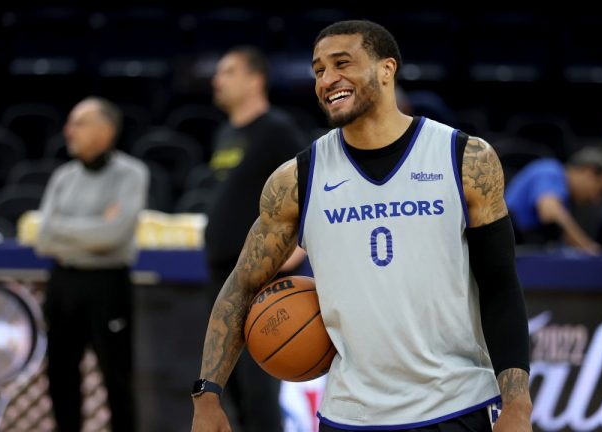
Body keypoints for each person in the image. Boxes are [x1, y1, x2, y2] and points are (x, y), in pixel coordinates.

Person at [192, 20, 532, 432]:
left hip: (455, 405)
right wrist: (207, 393)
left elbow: (500, 286)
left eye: (342, 63)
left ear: (387, 69)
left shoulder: (465, 158)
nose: (328, 79)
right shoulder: (296, 179)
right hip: (348, 415)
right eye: (318, 70)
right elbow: (241, 286)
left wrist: (517, 404)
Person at [204, 45, 307, 431]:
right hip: (223, 277)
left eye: (228, 71)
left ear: (255, 79)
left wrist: (291, 256)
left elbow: (309, 195)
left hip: (261, 278)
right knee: (228, 387)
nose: (218, 80)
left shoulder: (277, 131)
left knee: (258, 386)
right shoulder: (227, 133)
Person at [35, 96, 149, 431]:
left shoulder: (132, 173)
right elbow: (43, 239)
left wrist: (63, 228)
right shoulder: (62, 176)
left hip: (108, 284)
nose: (68, 130)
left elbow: (115, 235)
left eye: (79, 122)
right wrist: (94, 227)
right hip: (62, 283)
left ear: (106, 130)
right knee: (60, 375)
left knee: (117, 378)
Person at [504, 145, 602, 255]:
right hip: (509, 244)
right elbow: (549, 212)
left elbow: (564, 232)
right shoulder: (551, 171)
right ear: (588, 172)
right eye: (599, 190)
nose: (595, 199)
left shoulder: (564, 196)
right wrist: (587, 246)